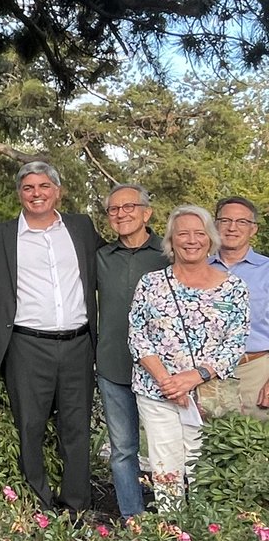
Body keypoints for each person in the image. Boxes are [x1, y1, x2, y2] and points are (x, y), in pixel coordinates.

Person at [0, 161, 101, 515]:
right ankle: (39, 505)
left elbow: (112, 261)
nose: (37, 193)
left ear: (57, 191)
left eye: (44, 186)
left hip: (79, 343)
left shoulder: (81, 227)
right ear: (19, 194)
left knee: (76, 428)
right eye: (28, 187)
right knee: (29, 427)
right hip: (26, 346)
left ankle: (76, 507)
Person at [128, 205, 248, 510]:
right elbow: (138, 336)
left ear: (210, 239)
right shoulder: (151, 283)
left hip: (207, 396)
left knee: (205, 471)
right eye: (183, 233)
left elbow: (235, 343)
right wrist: (168, 383)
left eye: (199, 233)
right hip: (158, 393)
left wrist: (193, 378)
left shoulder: (233, 288)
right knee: (166, 471)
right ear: (171, 240)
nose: (191, 240)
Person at [95, 184, 168, 519]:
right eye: (114, 209)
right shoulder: (100, 257)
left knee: (166, 450)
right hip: (113, 366)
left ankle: (172, 519)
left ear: (146, 213)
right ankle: (133, 519)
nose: (122, 214)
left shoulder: (169, 255)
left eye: (129, 207)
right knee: (123, 450)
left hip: (161, 373)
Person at [208, 196, 269, 420]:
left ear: (253, 229)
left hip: (257, 371)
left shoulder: (267, 270)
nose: (232, 228)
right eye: (225, 220)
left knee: (259, 449)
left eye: (241, 222)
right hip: (210, 374)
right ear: (215, 226)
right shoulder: (198, 270)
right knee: (213, 447)